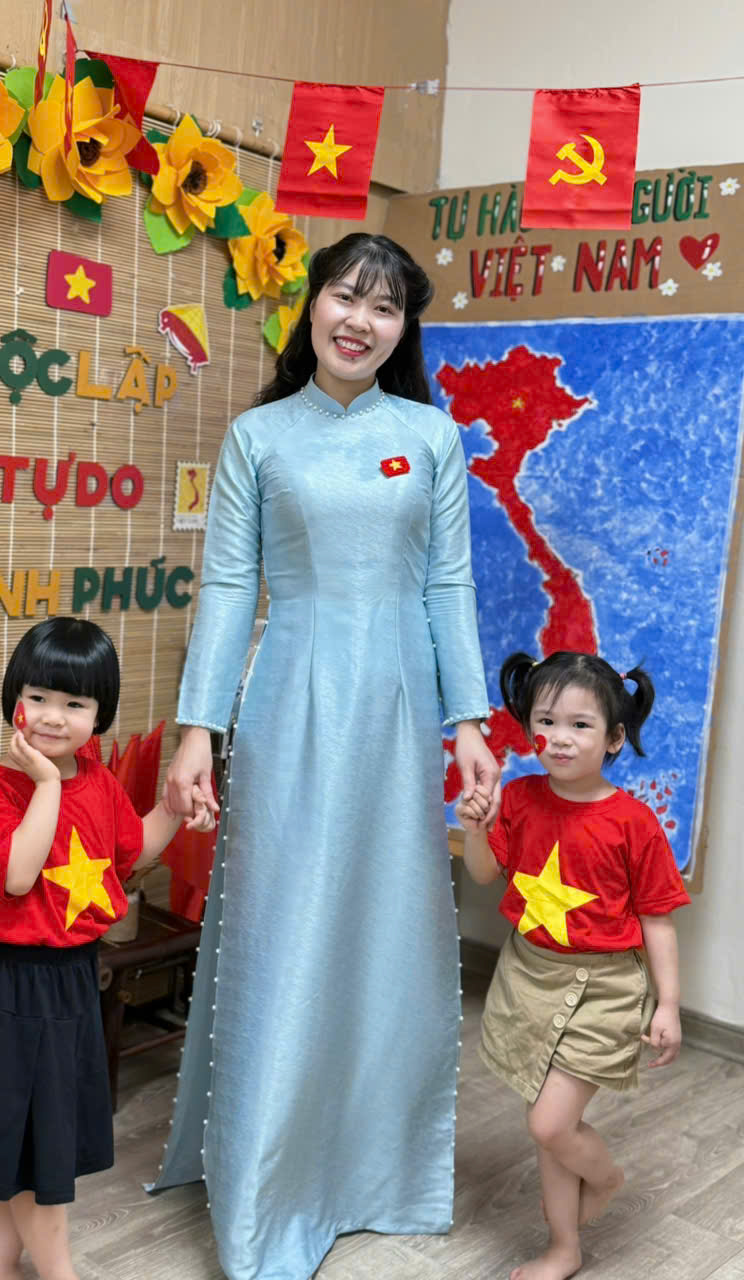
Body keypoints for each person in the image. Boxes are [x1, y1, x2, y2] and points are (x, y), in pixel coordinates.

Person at [151, 233, 501, 1279]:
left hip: (398, 706)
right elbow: (227, 587)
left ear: (403, 329)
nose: (361, 320)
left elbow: (448, 583)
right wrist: (199, 729)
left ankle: (374, 1170)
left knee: (386, 928)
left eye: (385, 308)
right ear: (311, 306)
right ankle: (268, 1186)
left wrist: (469, 721)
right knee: (282, 926)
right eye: (347, 296)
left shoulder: (430, 435)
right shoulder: (258, 437)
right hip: (290, 698)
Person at [0, 616, 215, 1280]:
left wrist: (175, 805)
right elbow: (18, 875)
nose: (53, 716)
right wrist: (48, 785)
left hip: (70, 976)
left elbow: (131, 850)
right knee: (34, 1153)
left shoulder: (99, 783)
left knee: (27, 1141)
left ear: (99, 714)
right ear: (14, 701)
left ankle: (1, 1270)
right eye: (39, 697)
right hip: (8, 980)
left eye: (75, 703)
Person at [456, 650, 691, 1280]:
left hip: (606, 991)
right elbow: (485, 873)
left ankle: (606, 1179)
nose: (559, 737)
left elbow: (658, 919)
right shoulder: (520, 798)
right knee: (553, 1127)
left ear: (614, 738)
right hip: (529, 978)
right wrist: (476, 828)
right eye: (547, 721)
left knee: (549, 1123)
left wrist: (668, 1004)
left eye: (580, 725)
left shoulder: (634, 823)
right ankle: (564, 1248)